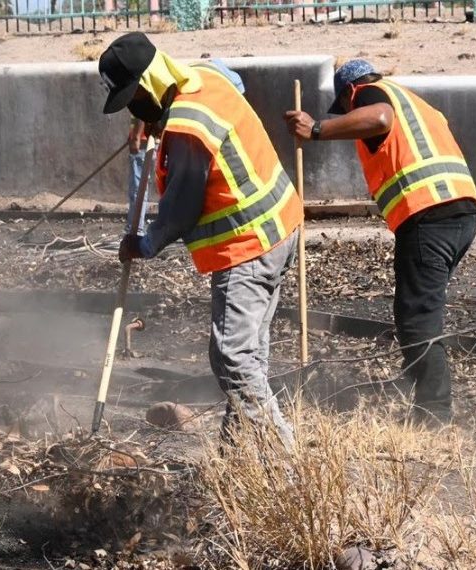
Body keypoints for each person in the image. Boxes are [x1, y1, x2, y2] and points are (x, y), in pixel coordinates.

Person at [100, 33, 304, 446]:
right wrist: (153, 118)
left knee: (231, 356)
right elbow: (232, 83)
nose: (134, 109)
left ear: (150, 82)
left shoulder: (188, 127)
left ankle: (287, 462)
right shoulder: (207, 77)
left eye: (134, 99)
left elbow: (181, 208)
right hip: (280, 226)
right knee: (250, 355)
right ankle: (237, 455)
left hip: (246, 246)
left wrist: (142, 244)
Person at [285, 60, 476, 426]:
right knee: (423, 312)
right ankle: (423, 391)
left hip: (428, 216)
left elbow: (378, 120)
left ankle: (433, 415)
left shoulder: (369, 94)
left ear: (348, 93)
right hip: (461, 214)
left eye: (345, 108)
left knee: (417, 319)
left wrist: (316, 129)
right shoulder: (417, 103)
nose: (348, 115)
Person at [123, 59, 245, 235]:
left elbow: (145, 115)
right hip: (151, 140)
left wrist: (136, 137)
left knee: (141, 191)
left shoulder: (156, 93)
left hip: (145, 144)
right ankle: (137, 230)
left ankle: (136, 230)